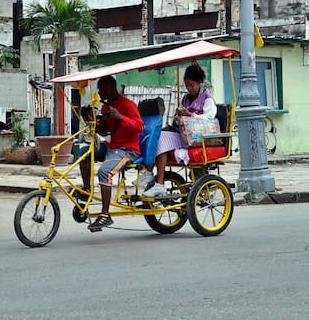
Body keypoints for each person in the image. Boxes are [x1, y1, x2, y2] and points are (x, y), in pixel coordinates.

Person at [79, 75, 143, 232]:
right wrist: (91, 120)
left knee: (105, 171)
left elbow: (139, 126)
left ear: (110, 88)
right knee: (83, 154)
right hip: (112, 146)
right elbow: (105, 130)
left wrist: (121, 117)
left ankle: (105, 215)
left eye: (101, 90)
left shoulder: (128, 105)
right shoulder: (106, 107)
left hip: (128, 150)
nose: (99, 93)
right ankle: (87, 190)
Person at [143, 63, 217, 198]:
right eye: (187, 85)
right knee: (154, 136)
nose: (189, 89)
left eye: (192, 85)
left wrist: (190, 115)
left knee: (161, 139)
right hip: (182, 134)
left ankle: (159, 185)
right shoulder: (186, 98)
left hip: (198, 137)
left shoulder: (207, 98)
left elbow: (209, 118)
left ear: (199, 82)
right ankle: (148, 173)